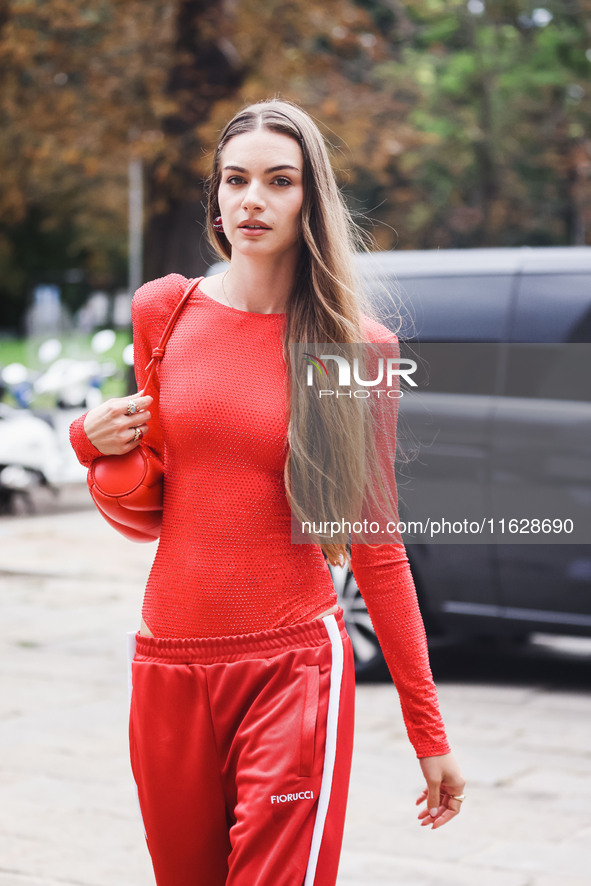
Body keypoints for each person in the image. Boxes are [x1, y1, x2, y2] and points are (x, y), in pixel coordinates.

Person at [69, 98, 465, 886]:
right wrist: (88, 438)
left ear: (307, 198)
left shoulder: (351, 348)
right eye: (235, 180)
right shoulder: (166, 309)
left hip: (291, 668)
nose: (251, 200)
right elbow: (147, 485)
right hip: (165, 661)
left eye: (277, 181)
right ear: (215, 196)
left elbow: (375, 546)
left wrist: (428, 730)